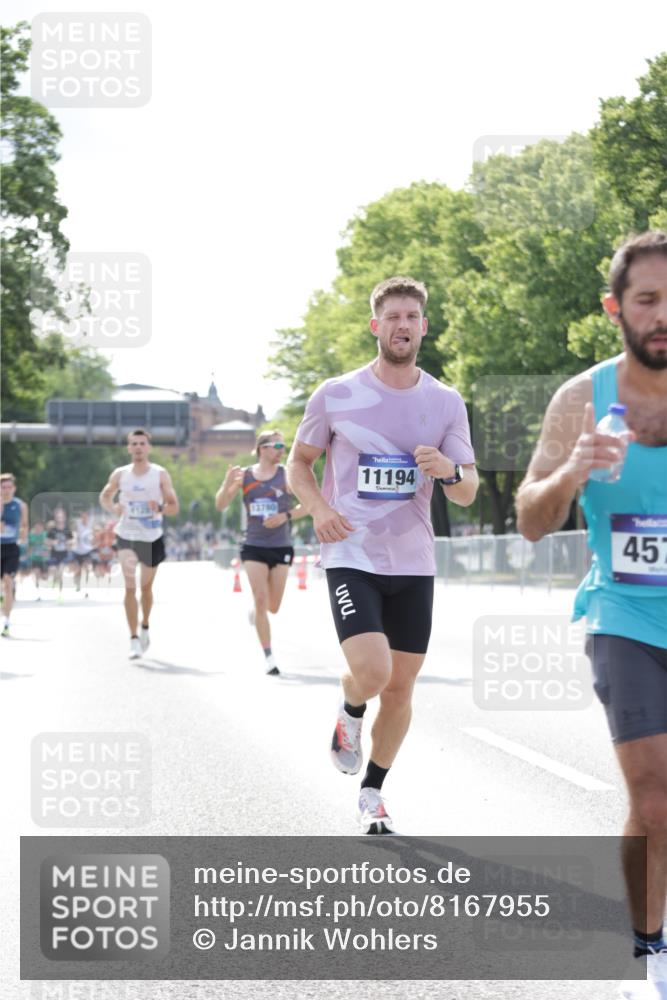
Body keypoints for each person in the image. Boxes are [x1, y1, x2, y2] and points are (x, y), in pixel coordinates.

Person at [515, 231, 667, 998]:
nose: (663, 314)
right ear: (615, 308)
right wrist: (573, 467)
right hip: (625, 616)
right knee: (652, 796)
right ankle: (650, 946)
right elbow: (530, 519)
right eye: (647, 300)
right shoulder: (580, 397)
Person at [287, 276, 478, 833]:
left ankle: (373, 792)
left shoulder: (445, 402)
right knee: (371, 672)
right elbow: (300, 463)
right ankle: (350, 705)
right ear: (376, 326)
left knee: (400, 688)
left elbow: (466, 490)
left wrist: (450, 472)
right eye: (391, 316)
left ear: (423, 325)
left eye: (411, 316)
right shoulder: (335, 393)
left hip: (414, 561)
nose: (401, 325)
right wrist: (320, 508)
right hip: (351, 551)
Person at [215, 429, 308, 675]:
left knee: (273, 606)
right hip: (253, 545)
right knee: (260, 598)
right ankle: (269, 657)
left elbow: (308, 504)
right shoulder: (244, 475)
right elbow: (221, 504)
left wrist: (285, 516)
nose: (282, 451)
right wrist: (226, 485)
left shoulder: (286, 475)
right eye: (277, 446)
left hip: (280, 545)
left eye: (283, 446)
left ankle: (256, 613)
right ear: (262, 448)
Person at [99, 428, 179, 659]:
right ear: (128, 448)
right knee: (130, 586)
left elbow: (174, 507)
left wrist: (161, 508)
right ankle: (133, 638)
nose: (137, 448)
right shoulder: (120, 474)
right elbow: (105, 496)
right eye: (133, 444)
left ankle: (145, 625)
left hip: (152, 536)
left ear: (149, 447)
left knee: (146, 588)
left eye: (142, 443)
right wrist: (113, 508)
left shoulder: (160, 474)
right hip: (127, 535)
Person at [1, 473, 28, 636]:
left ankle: (6, 621)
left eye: (9, 487)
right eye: (3, 487)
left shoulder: (20, 505)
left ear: (14, 489)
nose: (6, 490)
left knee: (8, 582)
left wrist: (22, 534)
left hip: (11, 547)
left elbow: (24, 526)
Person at [46, 507, 72, 599]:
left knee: (60, 572)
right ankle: (54, 583)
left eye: (61, 516)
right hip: (54, 554)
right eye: (58, 516)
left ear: (64, 517)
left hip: (64, 554)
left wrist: (69, 542)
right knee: (54, 571)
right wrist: (52, 542)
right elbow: (46, 541)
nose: (60, 518)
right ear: (55, 517)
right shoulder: (52, 530)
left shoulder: (67, 529)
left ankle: (60, 593)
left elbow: (72, 539)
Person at [71, 511, 95, 596]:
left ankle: (86, 587)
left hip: (87, 551)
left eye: (86, 516)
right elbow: (73, 533)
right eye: (83, 516)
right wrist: (75, 538)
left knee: (87, 568)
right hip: (77, 550)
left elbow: (93, 534)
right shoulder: (77, 523)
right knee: (78, 570)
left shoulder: (90, 525)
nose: (84, 518)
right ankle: (77, 584)